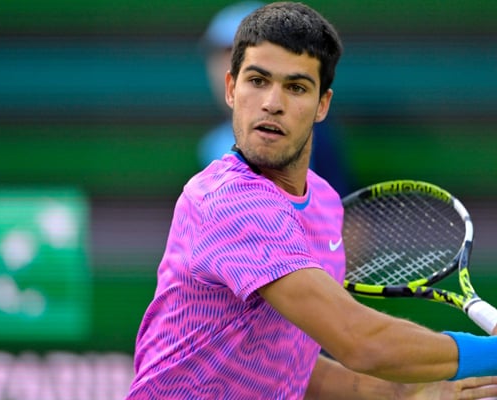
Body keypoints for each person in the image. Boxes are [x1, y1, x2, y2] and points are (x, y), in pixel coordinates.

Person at [126, 2, 497, 399]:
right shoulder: (228, 201)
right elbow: (358, 339)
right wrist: (489, 353)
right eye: (257, 80)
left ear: (322, 104)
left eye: (296, 87)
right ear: (232, 88)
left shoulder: (323, 202)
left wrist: (403, 393)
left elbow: (288, 361)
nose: (272, 102)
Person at [197, 1, 354, 196]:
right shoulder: (212, 145)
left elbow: (339, 207)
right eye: (221, 54)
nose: (225, 66)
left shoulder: (312, 136)